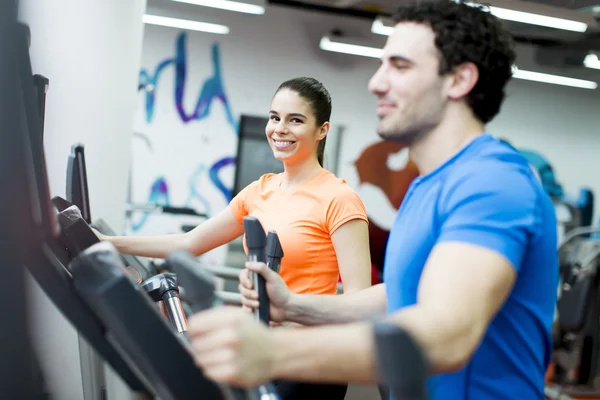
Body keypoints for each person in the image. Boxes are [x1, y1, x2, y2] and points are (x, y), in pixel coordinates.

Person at [185, 2, 559, 400]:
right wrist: (293, 306)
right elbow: (399, 294)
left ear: (459, 80)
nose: (376, 83)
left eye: (399, 66)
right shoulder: (427, 187)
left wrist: (273, 351)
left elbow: (446, 337)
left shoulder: (493, 181)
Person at [95, 76, 372, 400]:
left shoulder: (339, 198)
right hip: (259, 348)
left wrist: (295, 321)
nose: (280, 129)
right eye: (274, 117)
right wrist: (110, 242)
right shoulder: (259, 191)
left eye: (295, 120)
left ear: (322, 130)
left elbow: (359, 300)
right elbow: (189, 243)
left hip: (309, 359)